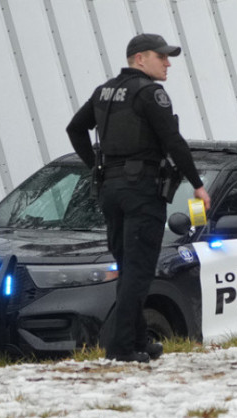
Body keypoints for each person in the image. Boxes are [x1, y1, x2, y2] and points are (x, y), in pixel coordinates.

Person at [66, 33, 211, 363]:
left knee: (127, 267)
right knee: (140, 270)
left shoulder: (104, 91)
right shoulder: (150, 93)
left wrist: (96, 168)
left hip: (111, 190)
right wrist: (198, 186)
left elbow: (75, 129)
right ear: (141, 58)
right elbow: (173, 141)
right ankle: (121, 347)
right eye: (162, 57)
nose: (168, 63)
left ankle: (139, 339)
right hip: (141, 191)